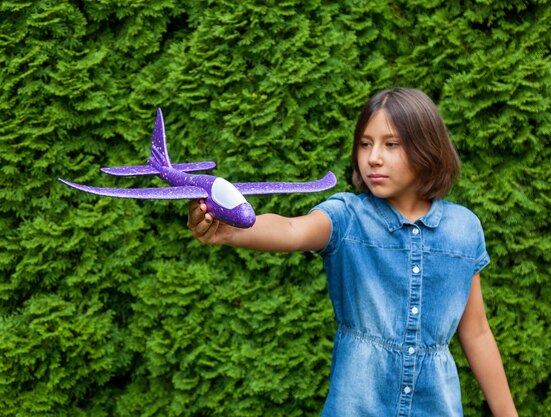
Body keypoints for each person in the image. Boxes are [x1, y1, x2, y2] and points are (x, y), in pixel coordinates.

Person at [187, 88, 518, 417]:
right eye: (365, 144)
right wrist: (233, 230)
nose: (373, 157)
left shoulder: (464, 229)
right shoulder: (347, 216)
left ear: (428, 147)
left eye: (391, 144)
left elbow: (476, 332)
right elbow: (291, 230)